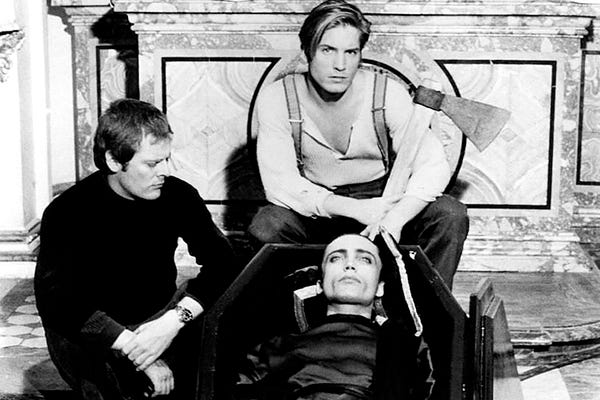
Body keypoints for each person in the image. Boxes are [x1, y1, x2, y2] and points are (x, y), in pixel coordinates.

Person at [248, 0, 468, 288]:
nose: (340, 65)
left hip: (384, 200)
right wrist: (356, 209)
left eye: (350, 52)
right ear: (306, 52)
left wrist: (395, 219)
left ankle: (422, 308)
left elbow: (433, 166)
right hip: (317, 209)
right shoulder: (278, 98)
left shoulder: (387, 93)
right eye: (328, 50)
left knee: (449, 214)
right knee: (267, 225)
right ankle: (298, 307)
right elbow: (280, 185)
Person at [34, 99, 240, 399]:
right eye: (153, 163)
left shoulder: (178, 195)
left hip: (160, 318)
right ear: (114, 161)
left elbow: (225, 263)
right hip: (95, 329)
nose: (166, 171)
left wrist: (172, 322)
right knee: (115, 382)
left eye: (167, 159)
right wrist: (140, 351)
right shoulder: (67, 211)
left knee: (229, 322)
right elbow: (59, 302)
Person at [239, 234, 434, 400]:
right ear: (320, 284)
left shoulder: (406, 347)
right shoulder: (278, 346)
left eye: (365, 259)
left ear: (380, 287)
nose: (349, 265)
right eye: (335, 258)